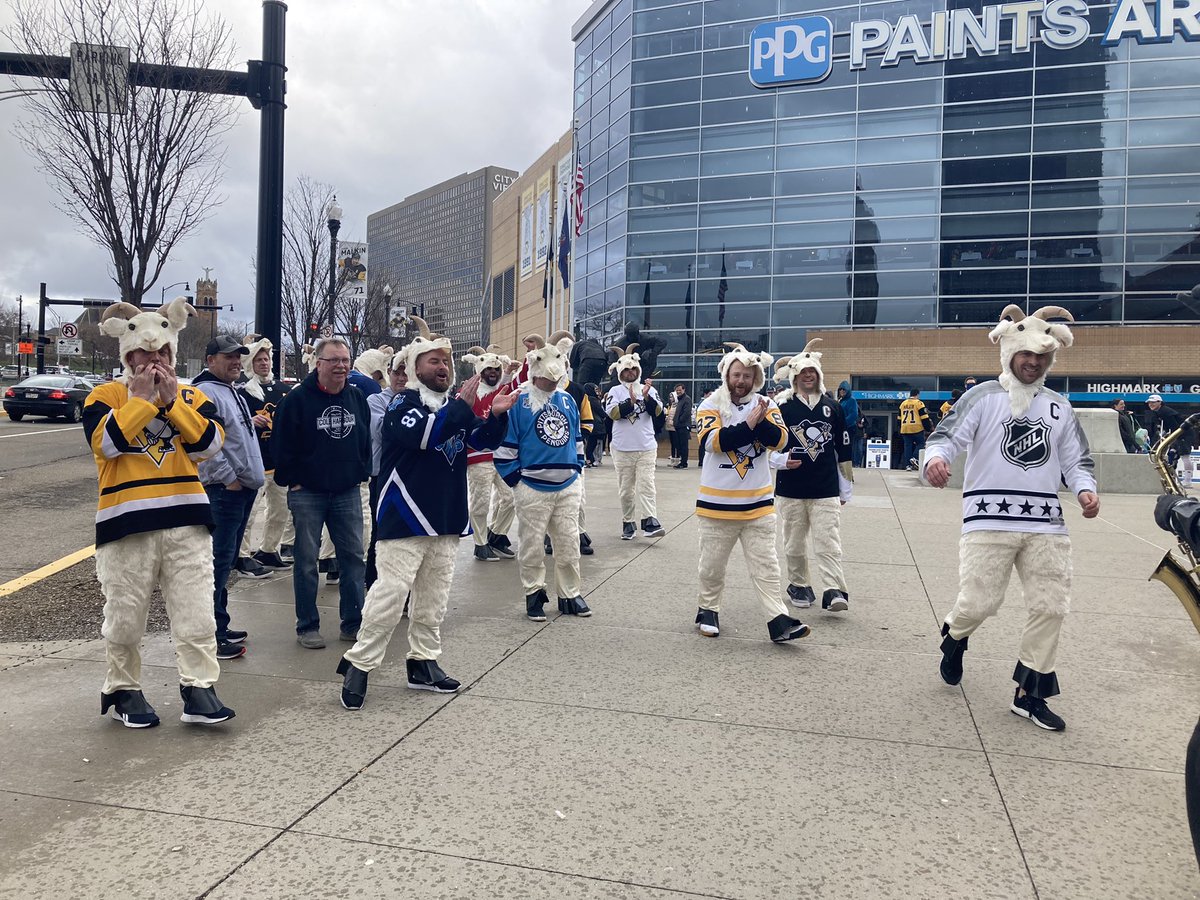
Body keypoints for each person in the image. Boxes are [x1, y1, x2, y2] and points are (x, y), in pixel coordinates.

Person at [924, 305, 1099, 732]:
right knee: (979, 602)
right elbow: (946, 437)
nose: (1032, 362)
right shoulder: (982, 397)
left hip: (1047, 524)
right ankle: (957, 634)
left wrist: (1085, 489)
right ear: (1008, 351)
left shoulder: (1059, 407)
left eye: (1041, 356)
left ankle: (1029, 694)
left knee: (1051, 605)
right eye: (1025, 353)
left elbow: (1077, 461)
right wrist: (935, 460)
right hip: (988, 518)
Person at [336, 329, 515, 709]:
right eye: (433, 361)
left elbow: (478, 443)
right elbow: (425, 435)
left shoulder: (452, 405)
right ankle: (359, 663)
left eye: (446, 361)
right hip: (405, 516)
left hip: (446, 516)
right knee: (390, 594)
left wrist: (497, 416)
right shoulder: (403, 403)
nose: (443, 367)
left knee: (434, 598)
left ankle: (423, 662)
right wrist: (465, 408)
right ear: (415, 368)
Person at [86, 298, 235, 727]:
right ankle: (123, 688)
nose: (153, 361)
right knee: (126, 614)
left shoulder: (190, 396)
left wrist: (172, 403)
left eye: (160, 354)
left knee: (196, 611)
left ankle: (199, 688)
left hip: (187, 520)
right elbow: (106, 443)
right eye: (142, 355)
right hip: (126, 524)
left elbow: (209, 446)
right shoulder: (105, 395)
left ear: (171, 352)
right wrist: (142, 401)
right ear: (127, 356)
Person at [692, 343, 810, 644]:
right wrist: (751, 425)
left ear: (755, 377)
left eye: (747, 375)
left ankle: (778, 619)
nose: (741, 380)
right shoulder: (710, 404)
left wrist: (755, 424)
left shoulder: (768, 405)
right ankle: (708, 609)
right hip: (717, 505)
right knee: (712, 566)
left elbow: (780, 439)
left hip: (758, 505)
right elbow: (715, 442)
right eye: (736, 374)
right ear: (727, 375)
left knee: (767, 567)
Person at [272, 336, 372, 649]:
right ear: (319, 363)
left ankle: (353, 623)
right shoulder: (297, 399)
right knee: (305, 562)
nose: (341, 366)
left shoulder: (356, 397)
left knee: (354, 559)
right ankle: (307, 626)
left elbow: (365, 439)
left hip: (346, 492)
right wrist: (293, 480)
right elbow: (281, 444)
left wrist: (359, 472)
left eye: (345, 360)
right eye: (334, 361)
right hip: (308, 494)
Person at [494, 339, 590, 622]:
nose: (551, 380)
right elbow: (505, 448)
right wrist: (517, 482)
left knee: (569, 541)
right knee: (531, 544)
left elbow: (577, 438)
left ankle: (570, 593)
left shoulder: (567, 400)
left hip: (567, 484)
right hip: (532, 486)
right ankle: (534, 592)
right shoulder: (519, 401)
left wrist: (577, 471)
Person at [193, 336, 266, 661]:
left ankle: (219, 624)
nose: (236, 362)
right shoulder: (205, 392)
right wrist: (229, 479)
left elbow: (231, 434)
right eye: (228, 357)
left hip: (239, 490)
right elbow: (201, 441)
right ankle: (211, 634)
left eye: (239, 357)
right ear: (210, 360)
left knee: (224, 562)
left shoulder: (228, 390)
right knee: (218, 564)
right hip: (225, 492)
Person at [771, 342, 853, 613]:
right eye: (803, 372)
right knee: (793, 542)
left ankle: (834, 589)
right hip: (790, 488)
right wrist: (780, 461)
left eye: (812, 372)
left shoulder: (833, 407)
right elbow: (767, 445)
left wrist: (845, 486)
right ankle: (798, 584)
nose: (808, 376)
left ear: (818, 374)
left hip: (825, 486)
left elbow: (843, 448)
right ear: (794, 376)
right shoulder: (782, 406)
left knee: (828, 540)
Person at [237, 335, 294, 572]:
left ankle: (269, 549)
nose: (264, 363)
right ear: (250, 363)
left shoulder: (283, 390)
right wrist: (249, 421)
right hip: (253, 461)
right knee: (249, 514)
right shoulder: (242, 392)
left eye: (267, 359)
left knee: (280, 511)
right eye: (259, 359)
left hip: (277, 461)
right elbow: (231, 423)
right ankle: (239, 554)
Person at [460, 344, 517, 562]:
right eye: (488, 370)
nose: (493, 373)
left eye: (496, 370)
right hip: (477, 455)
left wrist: (510, 371)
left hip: (501, 455)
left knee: (511, 498)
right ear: (480, 372)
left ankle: (496, 535)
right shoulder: (469, 392)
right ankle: (480, 544)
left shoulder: (501, 391)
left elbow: (510, 384)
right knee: (480, 501)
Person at [603, 345, 666, 540]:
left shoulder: (649, 389)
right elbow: (612, 413)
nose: (630, 373)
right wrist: (629, 403)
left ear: (638, 370)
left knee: (647, 485)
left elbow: (658, 413)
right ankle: (628, 522)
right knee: (626, 490)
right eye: (626, 370)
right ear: (621, 372)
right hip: (622, 449)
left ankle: (650, 521)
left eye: (633, 369)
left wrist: (646, 397)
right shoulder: (614, 390)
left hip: (646, 447)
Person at [543, 331, 595, 557]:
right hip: (544, 457)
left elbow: (588, 421)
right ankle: (548, 535)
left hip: (572, 454)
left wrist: (576, 442)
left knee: (578, 496)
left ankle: (579, 532)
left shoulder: (576, 390)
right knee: (546, 498)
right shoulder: (535, 390)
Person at [365, 351, 407, 589]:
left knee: (408, 535)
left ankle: (403, 589)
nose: (401, 378)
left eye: (405, 373)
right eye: (396, 373)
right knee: (382, 532)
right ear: (388, 374)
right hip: (382, 476)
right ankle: (373, 583)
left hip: (410, 477)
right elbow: (383, 432)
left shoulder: (420, 399)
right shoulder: (376, 401)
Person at [1147, 393, 1196, 483]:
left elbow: (1175, 427)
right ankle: (1173, 477)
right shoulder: (1159, 412)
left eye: (1153, 402)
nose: (1151, 404)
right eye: (1149, 403)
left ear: (1160, 402)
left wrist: (1171, 438)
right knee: (1172, 455)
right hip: (1177, 434)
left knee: (1185, 455)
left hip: (1183, 434)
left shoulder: (1165, 412)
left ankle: (1188, 480)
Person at [898, 388, 932, 470]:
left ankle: (908, 465)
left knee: (907, 447)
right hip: (916, 427)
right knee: (921, 443)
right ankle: (915, 457)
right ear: (917, 394)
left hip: (905, 428)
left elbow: (899, 418)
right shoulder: (919, 403)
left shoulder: (903, 404)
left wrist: (900, 428)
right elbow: (924, 417)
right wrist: (928, 428)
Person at [836, 381, 860, 467]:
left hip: (849, 428)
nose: (842, 391)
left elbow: (854, 415)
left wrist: (843, 423)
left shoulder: (851, 400)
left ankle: (848, 472)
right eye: (840, 389)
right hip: (841, 428)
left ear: (848, 391)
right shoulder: (840, 401)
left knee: (847, 450)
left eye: (844, 390)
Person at [671, 384, 693, 468]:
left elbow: (686, 412)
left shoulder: (686, 399)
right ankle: (681, 462)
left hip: (683, 426)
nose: (678, 392)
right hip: (678, 426)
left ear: (684, 390)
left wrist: (680, 421)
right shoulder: (679, 400)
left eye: (680, 390)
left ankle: (684, 463)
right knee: (679, 445)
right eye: (677, 390)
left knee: (684, 445)